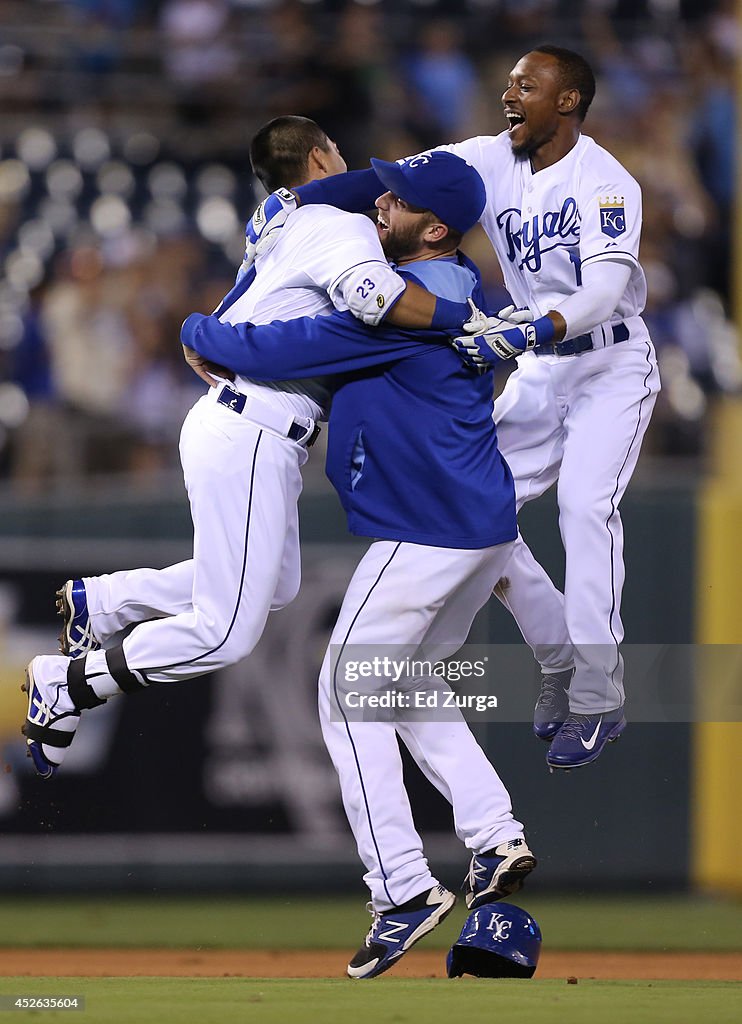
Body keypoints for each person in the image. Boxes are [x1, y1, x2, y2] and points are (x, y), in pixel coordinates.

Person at [21, 116, 479, 781]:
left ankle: (108, 601)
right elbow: (376, 299)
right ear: (321, 157)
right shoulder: (339, 228)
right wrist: (469, 319)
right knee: (226, 630)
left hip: (240, 419)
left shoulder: (284, 216)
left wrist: (201, 330)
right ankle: (72, 681)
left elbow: (257, 285)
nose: (378, 195)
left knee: (274, 584)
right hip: (253, 424)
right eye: (349, 163)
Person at [242, 45, 661, 771]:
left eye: (526, 86)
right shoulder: (487, 156)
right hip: (535, 363)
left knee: (585, 509)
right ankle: (561, 657)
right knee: (484, 512)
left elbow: (598, 296)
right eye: (508, 82)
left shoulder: (605, 182)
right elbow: (386, 180)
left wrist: (533, 327)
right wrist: (295, 201)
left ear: (567, 101)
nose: (509, 94)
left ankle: (599, 694)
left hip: (609, 361)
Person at [181, 150, 536, 980]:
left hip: (428, 529)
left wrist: (197, 329)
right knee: (400, 683)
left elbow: (277, 348)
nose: (383, 200)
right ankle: (492, 833)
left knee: (344, 688)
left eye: (402, 199)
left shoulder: (404, 309)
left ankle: (402, 888)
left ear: (437, 228)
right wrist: (307, 193)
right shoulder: (456, 290)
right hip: (477, 526)